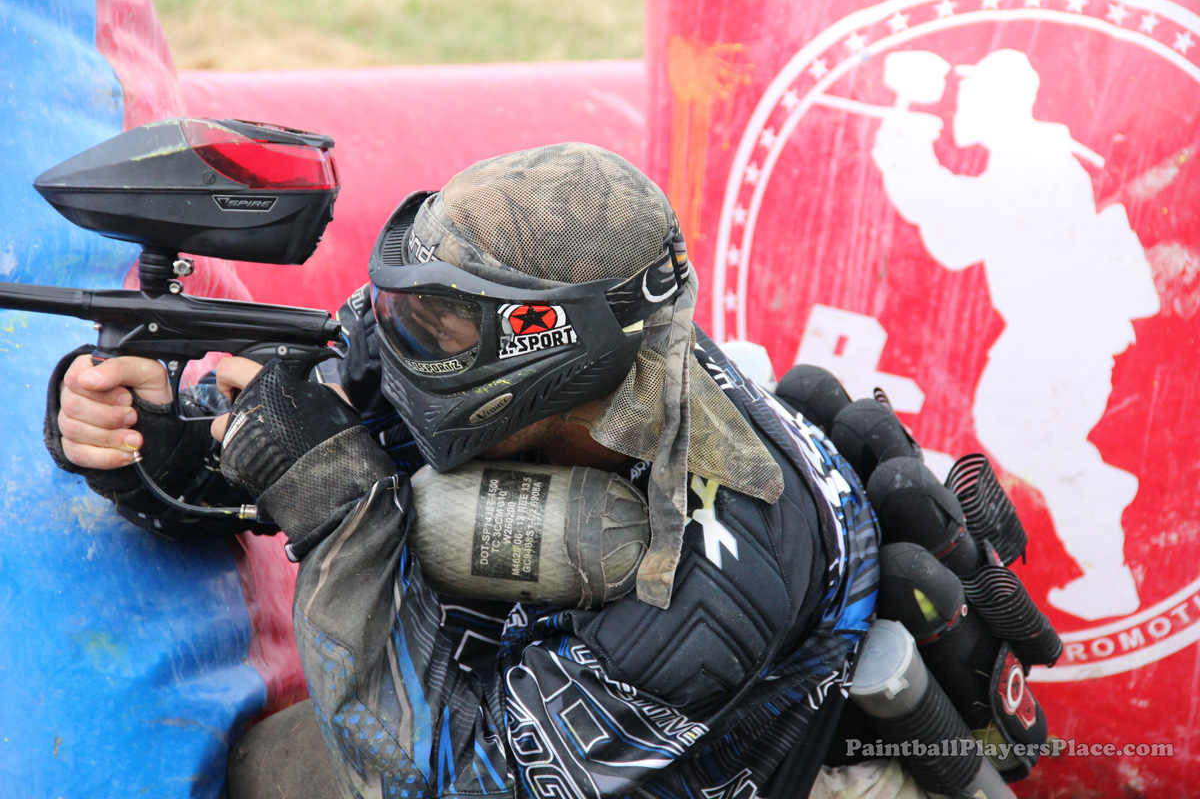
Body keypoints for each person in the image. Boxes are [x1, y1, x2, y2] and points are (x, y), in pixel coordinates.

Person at [48, 143, 884, 798]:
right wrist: (153, 439)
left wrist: (341, 513)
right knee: (258, 768)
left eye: (439, 321)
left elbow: (446, 786)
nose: (394, 335)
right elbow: (282, 441)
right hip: (474, 688)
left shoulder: (715, 578)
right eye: (408, 302)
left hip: (640, 775)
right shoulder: (477, 354)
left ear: (553, 348)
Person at [869, 49, 1160, 621]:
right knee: (1021, 433)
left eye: (972, 95)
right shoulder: (1027, 162)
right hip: (1052, 336)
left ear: (1000, 103)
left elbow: (958, 232)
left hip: (1063, 338)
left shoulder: (1037, 167)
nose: (960, 105)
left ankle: (1105, 541)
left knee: (1033, 438)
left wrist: (905, 149)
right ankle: (1101, 518)